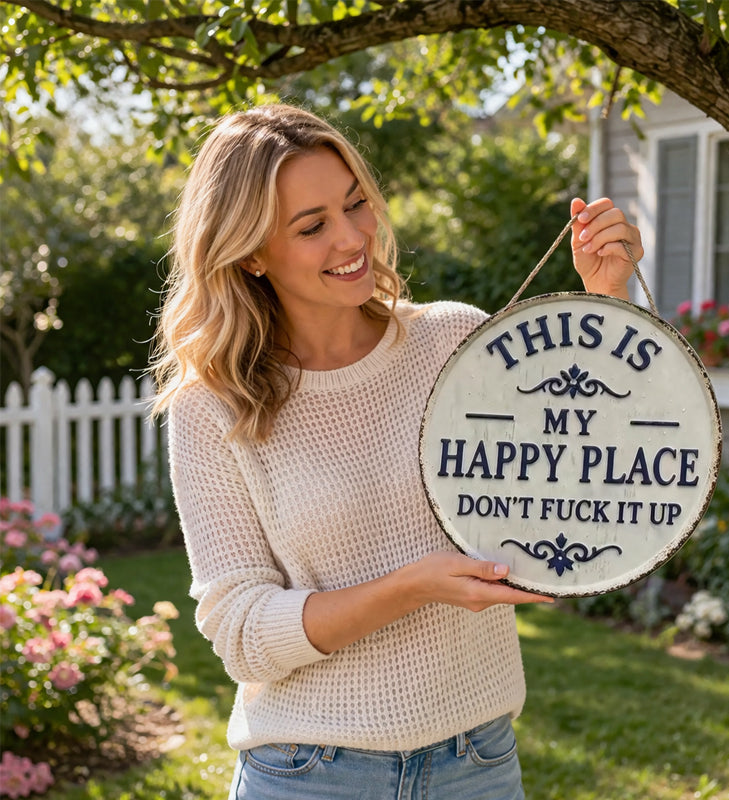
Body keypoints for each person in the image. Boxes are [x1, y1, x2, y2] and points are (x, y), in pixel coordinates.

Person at [150, 103, 644, 800]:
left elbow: (594, 461)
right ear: (252, 252)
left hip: (478, 764)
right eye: (313, 225)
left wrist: (607, 297)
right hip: (307, 775)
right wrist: (412, 587)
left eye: (356, 204)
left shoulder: (453, 343)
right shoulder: (214, 407)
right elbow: (240, 633)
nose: (353, 237)